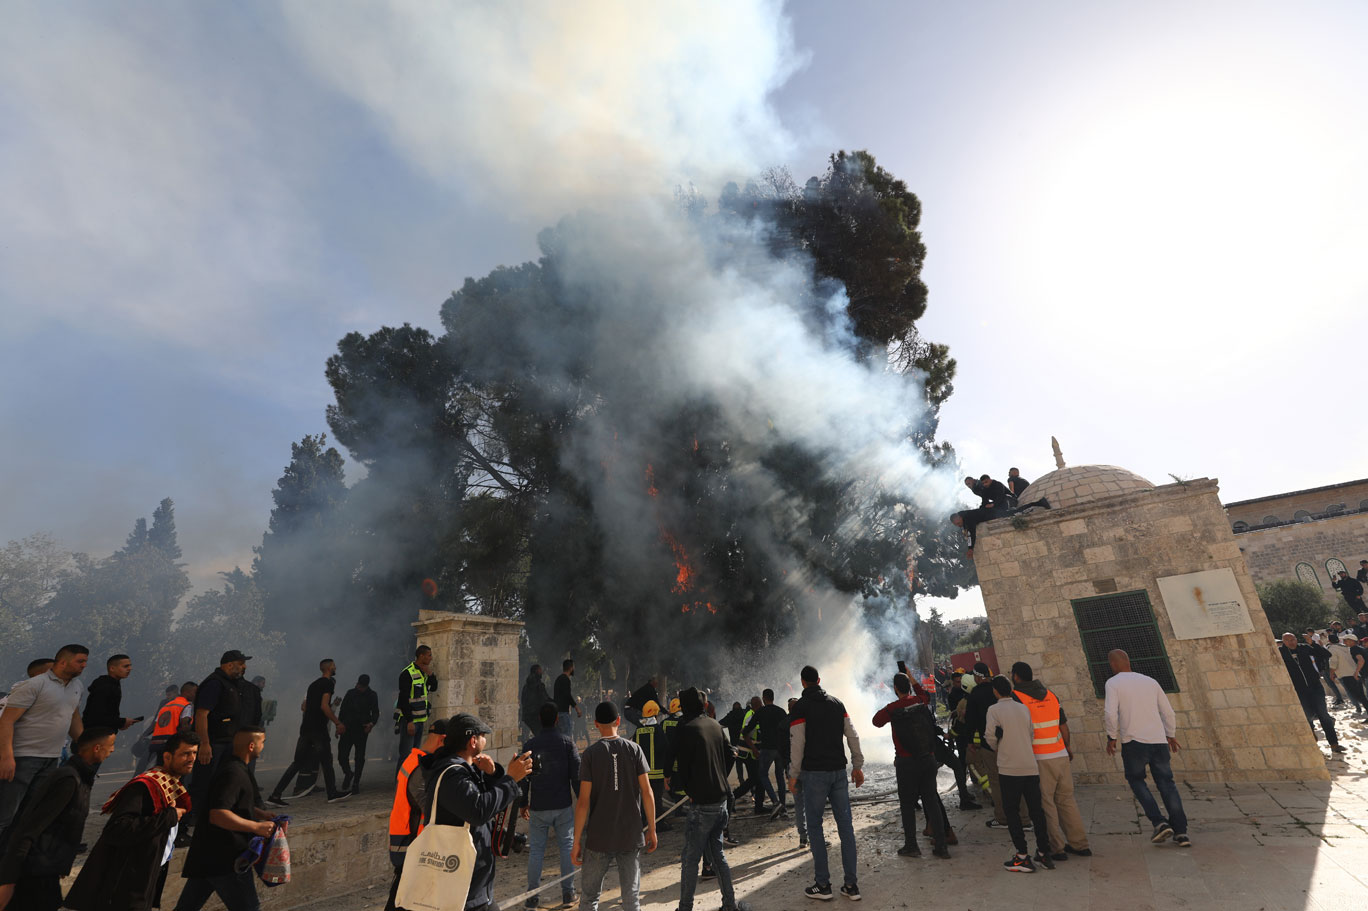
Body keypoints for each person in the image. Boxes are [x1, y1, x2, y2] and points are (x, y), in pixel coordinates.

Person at [64, 731, 198, 911]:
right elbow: (117, 828)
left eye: (194, 753)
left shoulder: (171, 784)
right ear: (167, 756)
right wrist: (169, 816)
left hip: (144, 881)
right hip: (125, 884)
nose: (191, 759)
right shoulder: (145, 786)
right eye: (185, 754)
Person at [420, 713, 532, 911]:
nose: (485, 740)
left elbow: (486, 801)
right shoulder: (452, 775)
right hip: (461, 888)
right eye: (483, 736)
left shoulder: (461, 771)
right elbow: (478, 811)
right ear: (473, 740)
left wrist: (493, 774)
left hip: (474, 884)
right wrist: (511, 779)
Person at [0, 727, 115, 911]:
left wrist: (62, 863)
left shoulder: (80, 778)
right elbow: (28, 829)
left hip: (47, 869)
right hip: (34, 873)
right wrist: (8, 881)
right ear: (97, 748)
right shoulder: (68, 780)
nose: (112, 750)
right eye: (111, 745)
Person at [174, 726, 276, 911]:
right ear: (252, 746)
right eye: (262, 742)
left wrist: (259, 814)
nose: (263, 747)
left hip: (207, 857)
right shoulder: (233, 773)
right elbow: (218, 814)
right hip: (226, 858)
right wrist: (256, 827)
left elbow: (229, 802)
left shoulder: (234, 768)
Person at [668, 687, 750, 911]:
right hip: (721, 800)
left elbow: (681, 764)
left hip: (701, 804)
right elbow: (730, 754)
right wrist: (720, 776)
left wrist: (687, 787)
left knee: (690, 859)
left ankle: (685, 907)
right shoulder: (715, 725)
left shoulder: (686, 728)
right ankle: (729, 904)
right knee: (718, 855)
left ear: (684, 706)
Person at [787, 665, 864, 902]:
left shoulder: (800, 707)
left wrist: (793, 774)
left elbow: (797, 744)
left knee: (815, 827)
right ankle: (851, 886)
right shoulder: (837, 704)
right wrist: (858, 765)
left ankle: (823, 885)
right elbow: (852, 734)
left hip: (814, 776)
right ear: (818, 680)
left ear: (802, 682)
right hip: (839, 774)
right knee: (846, 827)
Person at [0, 644, 88, 842]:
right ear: (63, 662)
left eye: (85, 662)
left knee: (31, 814)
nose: (84, 666)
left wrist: (84, 746)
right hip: (22, 758)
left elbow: (73, 717)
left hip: (52, 758)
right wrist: (6, 757)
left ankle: (11, 861)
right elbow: (6, 720)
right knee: (6, 814)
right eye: (80, 661)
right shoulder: (34, 685)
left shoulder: (77, 686)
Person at [573, 702, 655, 911]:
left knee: (589, 899)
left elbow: (583, 802)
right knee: (631, 900)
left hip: (598, 838)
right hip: (630, 835)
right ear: (619, 720)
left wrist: (576, 841)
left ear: (596, 724)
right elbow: (647, 792)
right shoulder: (634, 749)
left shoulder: (590, 755)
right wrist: (652, 830)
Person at [1104, 649, 1190, 846]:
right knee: (1167, 784)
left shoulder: (1113, 683)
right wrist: (1170, 734)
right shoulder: (1150, 681)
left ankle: (1159, 822)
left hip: (1134, 741)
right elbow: (1168, 712)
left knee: (1136, 780)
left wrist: (1112, 737)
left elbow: (1110, 713)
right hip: (1158, 740)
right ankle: (1181, 832)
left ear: (1114, 664)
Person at [1011, 662, 1090, 861]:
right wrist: (1068, 747)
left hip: (1039, 757)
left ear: (1015, 677)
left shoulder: (1016, 698)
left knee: (1046, 804)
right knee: (1066, 800)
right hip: (1060, 754)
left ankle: (1056, 848)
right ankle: (1079, 844)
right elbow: (1063, 725)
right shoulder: (1050, 695)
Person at [872, 672, 949, 859]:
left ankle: (911, 845)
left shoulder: (893, 708)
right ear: (909, 686)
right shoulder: (920, 701)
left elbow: (876, 721)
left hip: (906, 762)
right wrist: (912, 679)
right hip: (928, 759)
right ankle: (941, 846)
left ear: (895, 689)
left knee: (907, 804)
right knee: (931, 801)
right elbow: (925, 693)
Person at [985, 677, 1053, 873]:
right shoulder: (1023, 708)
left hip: (1009, 768)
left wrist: (1000, 745)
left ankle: (1022, 856)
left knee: (1012, 811)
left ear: (996, 691)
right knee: (1036, 811)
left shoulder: (994, 710)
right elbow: (1031, 734)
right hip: (1029, 765)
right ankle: (1043, 853)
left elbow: (990, 737)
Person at [265, 658, 350, 805]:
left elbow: (305, 706)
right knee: (327, 762)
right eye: (334, 665)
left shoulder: (312, 685)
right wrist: (338, 722)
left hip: (306, 729)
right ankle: (332, 794)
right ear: (329, 668)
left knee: (297, 763)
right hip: (318, 729)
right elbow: (324, 706)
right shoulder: (327, 683)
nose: (336, 667)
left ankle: (275, 795)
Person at [188, 649, 254, 838]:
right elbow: (201, 715)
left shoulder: (231, 684)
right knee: (204, 781)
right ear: (229, 664)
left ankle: (219, 814)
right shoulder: (214, 684)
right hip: (214, 743)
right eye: (241, 663)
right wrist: (205, 744)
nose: (244, 667)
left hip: (228, 743)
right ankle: (195, 817)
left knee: (225, 781)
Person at [521, 701, 580, 909]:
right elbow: (576, 776)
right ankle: (568, 894)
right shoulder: (567, 743)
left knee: (536, 851)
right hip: (562, 805)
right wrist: (582, 800)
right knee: (566, 847)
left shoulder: (530, 745)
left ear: (539, 719)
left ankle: (532, 897)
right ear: (557, 719)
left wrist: (522, 803)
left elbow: (523, 777)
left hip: (538, 806)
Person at [384, 720, 446, 911]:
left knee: (402, 899)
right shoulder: (419, 768)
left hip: (406, 841)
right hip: (411, 844)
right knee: (405, 902)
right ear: (442, 741)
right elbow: (430, 809)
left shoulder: (414, 760)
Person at [965, 661, 1028, 831]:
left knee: (997, 781)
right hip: (1012, 743)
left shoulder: (975, 695)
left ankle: (1002, 817)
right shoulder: (1004, 691)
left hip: (989, 746)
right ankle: (1024, 817)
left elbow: (970, 722)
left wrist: (970, 742)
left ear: (978, 677)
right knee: (1016, 780)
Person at [1278, 632, 1344, 754]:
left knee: (1323, 715)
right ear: (1283, 642)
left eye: (1293, 639)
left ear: (1296, 639)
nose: (1291, 642)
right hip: (1299, 690)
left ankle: (1334, 744)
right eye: (1287, 640)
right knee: (1306, 716)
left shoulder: (1304, 647)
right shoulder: (1280, 652)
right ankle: (1311, 735)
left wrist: (1313, 643)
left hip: (1315, 687)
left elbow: (1326, 654)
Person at [395, 645, 438, 769]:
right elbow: (403, 699)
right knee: (405, 755)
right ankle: (400, 784)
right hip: (410, 720)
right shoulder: (407, 673)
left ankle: (409, 784)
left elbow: (434, 688)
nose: (431, 658)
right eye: (429, 655)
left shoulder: (424, 672)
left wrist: (431, 675)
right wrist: (409, 721)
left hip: (420, 720)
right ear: (421, 656)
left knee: (415, 755)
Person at [630, 700, 671, 832]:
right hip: (657, 772)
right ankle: (659, 823)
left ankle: (643, 822)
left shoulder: (639, 730)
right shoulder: (658, 730)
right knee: (656, 799)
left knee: (643, 798)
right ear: (656, 714)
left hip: (642, 773)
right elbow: (666, 749)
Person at [338, 673, 379, 794]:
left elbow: (375, 712)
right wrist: (339, 725)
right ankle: (348, 773)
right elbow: (343, 710)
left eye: (361, 686)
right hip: (348, 728)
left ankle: (356, 782)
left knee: (359, 757)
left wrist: (371, 724)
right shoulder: (350, 693)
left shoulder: (372, 695)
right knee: (342, 755)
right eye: (358, 685)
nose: (359, 688)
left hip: (362, 729)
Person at [82, 655, 139, 735]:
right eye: (125, 666)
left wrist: (120, 723)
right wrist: (122, 722)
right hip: (95, 737)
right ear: (112, 668)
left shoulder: (114, 685)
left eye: (130, 665)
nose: (130, 668)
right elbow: (96, 716)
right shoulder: (104, 687)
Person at [754, 689, 789, 815]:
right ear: (773, 698)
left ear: (764, 698)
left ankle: (775, 802)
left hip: (767, 748)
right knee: (780, 776)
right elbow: (787, 731)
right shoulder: (781, 711)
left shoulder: (761, 712)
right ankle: (783, 807)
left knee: (763, 774)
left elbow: (749, 728)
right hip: (779, 749)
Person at [784, 697, 807, 848]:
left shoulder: (782, 724)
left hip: (792, 767)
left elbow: (781, 750)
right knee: (811, 802)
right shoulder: (806, 721)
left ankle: (803, 837)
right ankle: (812, 836)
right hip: (808, 767)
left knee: (799, 803)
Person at [1327, 633, 1365, 714]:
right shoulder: (1347, 647)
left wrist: (1331, 674)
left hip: (1346, 675)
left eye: (1345, 640)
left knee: (1356, 695)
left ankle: (1358, 708)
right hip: (1356, 674)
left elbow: (1333, 662)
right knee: (1361, 696)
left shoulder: (1332, 649)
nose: (1343, 641)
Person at [521, 665, 552, 738]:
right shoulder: (539, 685)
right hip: (536, 715)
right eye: (540, 670)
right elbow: (545, 699)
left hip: (527, 716)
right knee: (543, 736)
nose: (542, 672)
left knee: (539, 735)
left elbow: (523, 700)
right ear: (537, 671)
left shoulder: (526, 686)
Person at [554, 659, 581, 741]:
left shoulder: (558, 679)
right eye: (573, 667)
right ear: (571, 668)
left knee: (559, 739)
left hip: (557, 713)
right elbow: (567, 695)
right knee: (567, 739)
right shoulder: (566, 679)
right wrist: (577, 708)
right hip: (563, 714)